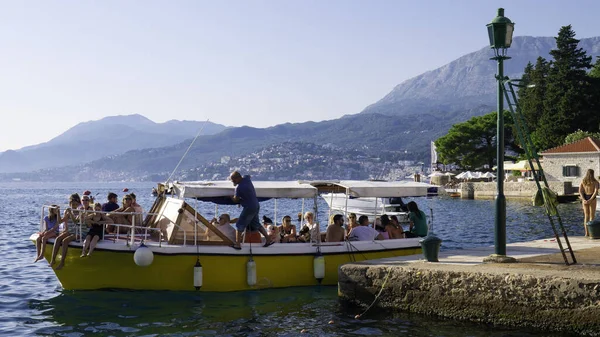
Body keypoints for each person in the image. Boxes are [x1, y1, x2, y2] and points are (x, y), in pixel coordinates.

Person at [229, 170, 274, 249]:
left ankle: (237, 244)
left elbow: (236, 200)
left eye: (234, 180)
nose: (233, 182)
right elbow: (248, 175)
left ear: (238, 178)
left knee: (239, 225)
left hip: (249, 207)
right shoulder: (246, 179)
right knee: (256, 224)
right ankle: (268, 239)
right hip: (256, 205)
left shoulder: (238, 188)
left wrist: (230, 197)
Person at [50, 193, 81, 270]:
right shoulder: (67, 212)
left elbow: (76, 222)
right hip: (70, 231)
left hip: (77, 232)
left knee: (65, 241)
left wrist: (71, 213)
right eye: (71, 203)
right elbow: (60, 221)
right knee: (58, 239)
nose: (73, 205)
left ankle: (62, 262)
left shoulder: (79, 211)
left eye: (75, 203)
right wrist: (58, 212)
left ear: (78, 203)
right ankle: (52, 260)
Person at [579, 169, 600, 236]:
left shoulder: (583, 181)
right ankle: (591, 233)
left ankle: (586, 233)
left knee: (586, 216)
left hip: (585, 197)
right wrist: (591, 199)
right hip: (592, 197)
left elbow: (580, 191)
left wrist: (583, 199)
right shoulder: (595, 182)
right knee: (592, 216)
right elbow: (595, 191)